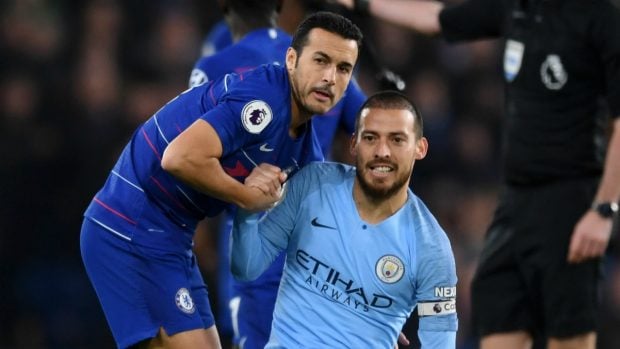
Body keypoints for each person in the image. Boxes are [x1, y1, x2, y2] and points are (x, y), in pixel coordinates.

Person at [332, 0, 620, 348]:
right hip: (514, 202)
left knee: (567, 338)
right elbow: (436, 18)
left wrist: (604, 208)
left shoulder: (601, 17)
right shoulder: (517, 9)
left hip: (569, 199)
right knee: (497, 329)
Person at [79, 11, 363, 349]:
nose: (330, 77)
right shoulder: (265, 101)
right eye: (321, 60)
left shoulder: (303, 153)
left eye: (343, 69)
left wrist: (364, 317)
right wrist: (247, 197)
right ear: (291, 59)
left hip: (171, 240)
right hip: (129, 226)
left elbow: (278, 254)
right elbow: (178, 157)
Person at [188, 2, 368, 348]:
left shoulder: (215, 63)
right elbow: (371, 128)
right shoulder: (320, 56)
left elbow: (189, 152)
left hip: (256, 236)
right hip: (324, 242)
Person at [230, 90, 458, 348]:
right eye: (370, 138)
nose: (382, 151)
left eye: (397, 140)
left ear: (420, 148)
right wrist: (247, 209)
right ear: (353, 144)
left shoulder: (431, 247)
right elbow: (246, 268)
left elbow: (440, 341)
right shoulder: (312, 184)